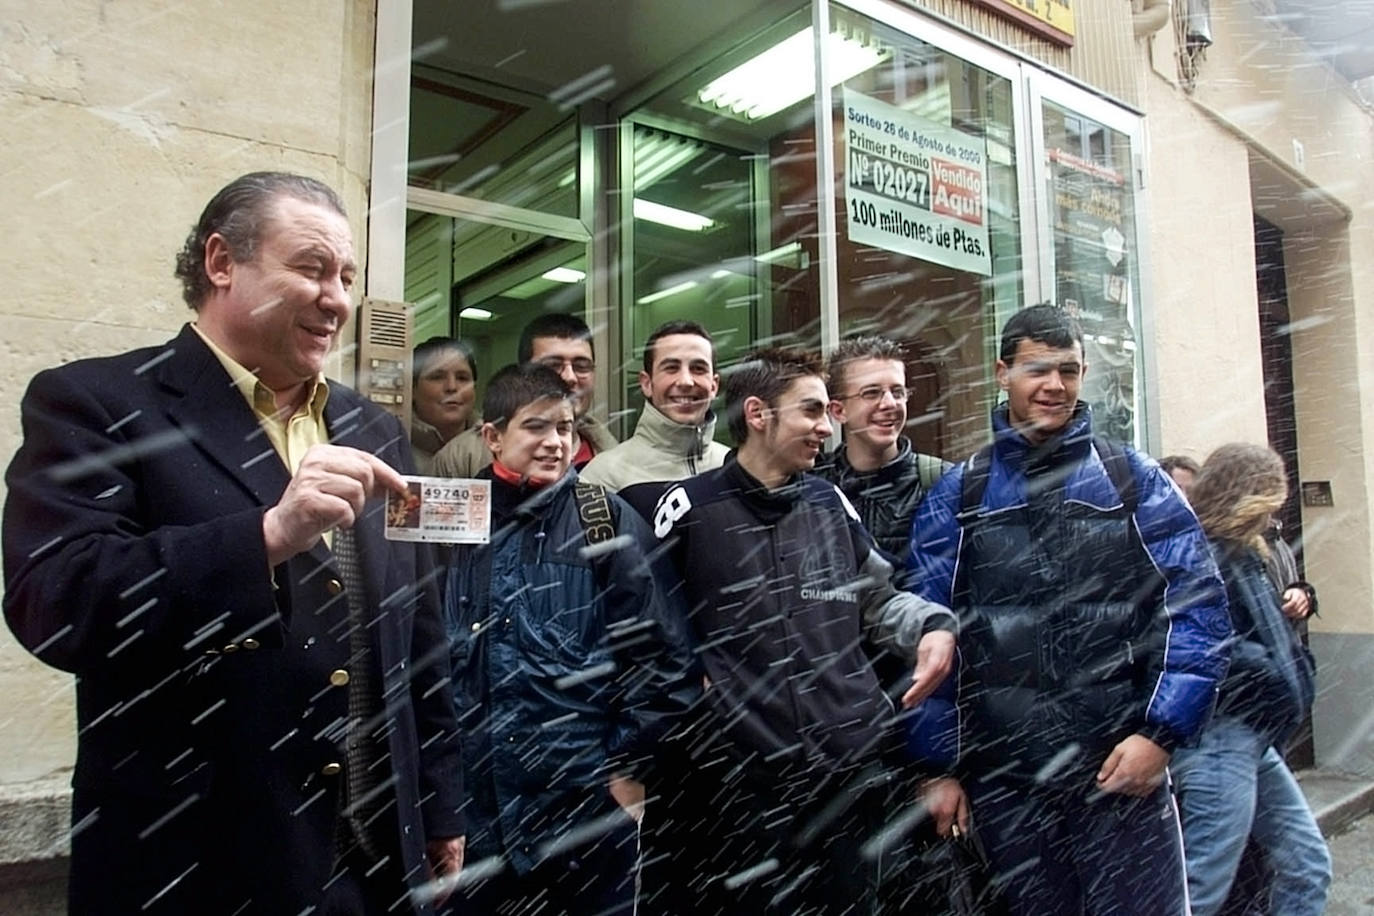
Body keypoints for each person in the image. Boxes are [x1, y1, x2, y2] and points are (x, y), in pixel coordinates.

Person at [2, 172, 465, 914]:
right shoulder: (98, 403)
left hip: (376, 862)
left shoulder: (376, 430)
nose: (338, 299)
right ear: (221, 262)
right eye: (311, 268)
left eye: (346, 276)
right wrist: (269, 535)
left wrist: (438, 804)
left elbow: (418, 633)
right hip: (200, 866)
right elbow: (55, 602)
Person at [907, 304, 1231, 914]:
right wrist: (936, 767)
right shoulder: (963, 491)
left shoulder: (1131, 478)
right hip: (1007, 781)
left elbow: (1197, 607)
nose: (1055, 386)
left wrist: (1160, 734)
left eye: (1070, 370)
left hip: (1118, 769)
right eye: (1038, 370)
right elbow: (928, 638)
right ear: (1003, 373)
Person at [647, 347, 959, 916]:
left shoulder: (828, 501)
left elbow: (878, 601)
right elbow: (652, 633)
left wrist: (932, 625)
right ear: (759, 414)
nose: (825, 426)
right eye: (811, 411)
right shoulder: (690, 509)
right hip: (741, 785)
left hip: (848, 772)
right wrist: (697, 693)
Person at [440, 362, 698, 916]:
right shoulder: (451, 518)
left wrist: (627, 770)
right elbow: (415, 655)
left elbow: (662, 656)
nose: (556, 442)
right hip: (471, 812)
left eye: (566, 427)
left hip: (584, 809)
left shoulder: (605, 520)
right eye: (536, 427)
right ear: (492, 436)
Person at [1169, 443, 1330, 916]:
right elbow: (1192, 644)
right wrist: (1272, 671)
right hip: (1220, 737)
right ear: (1250, 497)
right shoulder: (1206, 556)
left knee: (1306, 866)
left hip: (1250, 736)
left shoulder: (1244, 553)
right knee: (1200, 892)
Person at [816, 335, 950, 565]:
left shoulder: (942, 482)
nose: (890, 404)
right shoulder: (814, 486)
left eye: (898, 392)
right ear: (838, 411)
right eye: (872, 393)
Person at [433, 314, 616, 477]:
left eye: (582, 366)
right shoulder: (461, 457)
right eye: (553, 365)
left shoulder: (616, 458)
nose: (570, 377)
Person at [579, 319, 730, 516]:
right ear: (647, 383)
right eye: (671, 368)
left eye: (698, 369)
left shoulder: (735, 467)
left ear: (714, 385)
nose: (685, 381)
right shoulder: (603, 477)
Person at [410, 336, 478, 473]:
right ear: (412, 389)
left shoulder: (497, 446)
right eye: (437, 377)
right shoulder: (392, 447)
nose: (452, 387)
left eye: (462, 378)